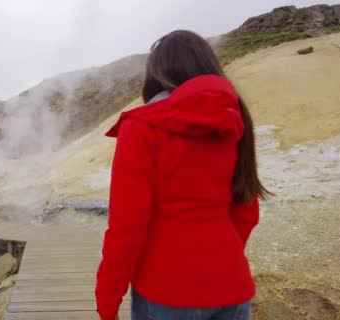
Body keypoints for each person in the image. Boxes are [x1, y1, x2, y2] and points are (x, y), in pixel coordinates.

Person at [95, 30, 270, 320]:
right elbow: (246, 210)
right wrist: (219, 261)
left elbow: (128, 226)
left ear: (157, 73)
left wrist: (108, 297)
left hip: (166, 289)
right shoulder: (234, 119)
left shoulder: (141, 127)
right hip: (231, 282)